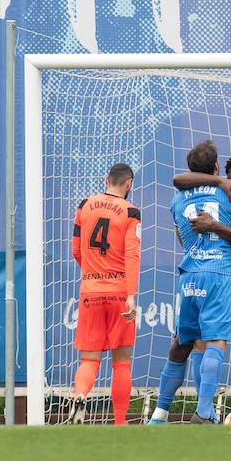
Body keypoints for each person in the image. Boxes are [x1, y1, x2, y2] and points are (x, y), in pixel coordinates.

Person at [150, 150, 231, 424]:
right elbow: (180, 181)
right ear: (229, 175)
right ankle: (203, 410)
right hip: (219, 276)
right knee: (191, 344)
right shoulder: (225, 193)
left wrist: (213, 226)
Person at [69, 162, 141, 424]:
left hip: (91, 291)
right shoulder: (131, 211)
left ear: (106, 179)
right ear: (129, 183)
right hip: (120, 293)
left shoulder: (84, 205)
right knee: (121, 362)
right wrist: (130, 294)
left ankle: (80, 395)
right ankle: (120, 423)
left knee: (89, 360)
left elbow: (76, 251)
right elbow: (133, 253)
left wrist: (93, 274)